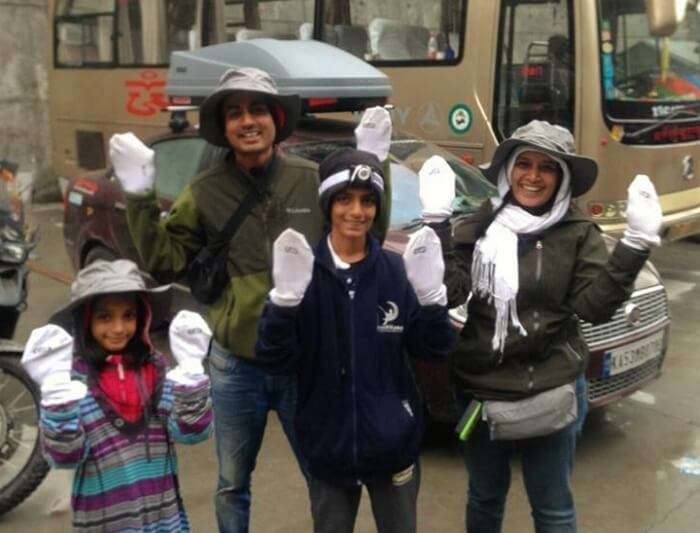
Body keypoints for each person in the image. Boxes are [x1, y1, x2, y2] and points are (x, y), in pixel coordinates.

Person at [107, 67, 393, 532]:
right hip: (236, 365)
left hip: (306, 362)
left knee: (324, 475)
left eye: (258, 109)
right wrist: (138, 193)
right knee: (231, 483)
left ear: (277, 119)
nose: (247, 121)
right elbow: (163, 261)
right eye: (235, 112)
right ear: (224, 127)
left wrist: (375, 164)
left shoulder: (309, 180)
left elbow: (366, 241)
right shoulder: (204, 192)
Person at [418, 120, 662, 533]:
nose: (533, 176)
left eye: (547, 167)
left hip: (552, 388)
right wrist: (437, 225)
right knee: (484, 499)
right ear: (509, 169)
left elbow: (594, 307)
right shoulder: (481, 224)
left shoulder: (577, 233)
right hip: (482, 389)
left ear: (562, 176)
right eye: (524, 164)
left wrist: (634, 246)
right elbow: (453, 292)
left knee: (553, 510)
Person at [255, 148, 455, 533]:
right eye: (344, 199)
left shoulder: (396, 272)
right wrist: (282, 306)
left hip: (393, 445)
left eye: (367, 201)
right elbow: (274, 361)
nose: (356, 212)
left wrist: (432, 301)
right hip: (328, 446)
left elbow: (432, 349)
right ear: (328, 204)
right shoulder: (300, 272)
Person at [21, 259, 213, 532]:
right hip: (105, 520)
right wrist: (57, 401)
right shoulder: (70, 382)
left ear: (142, 317)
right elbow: (65, 456)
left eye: (128, 315)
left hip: (164, 521)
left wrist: (193, 373)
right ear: (85, 320)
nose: (119, 328)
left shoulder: (156, 369)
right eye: (104, 317)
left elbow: (192, 432)